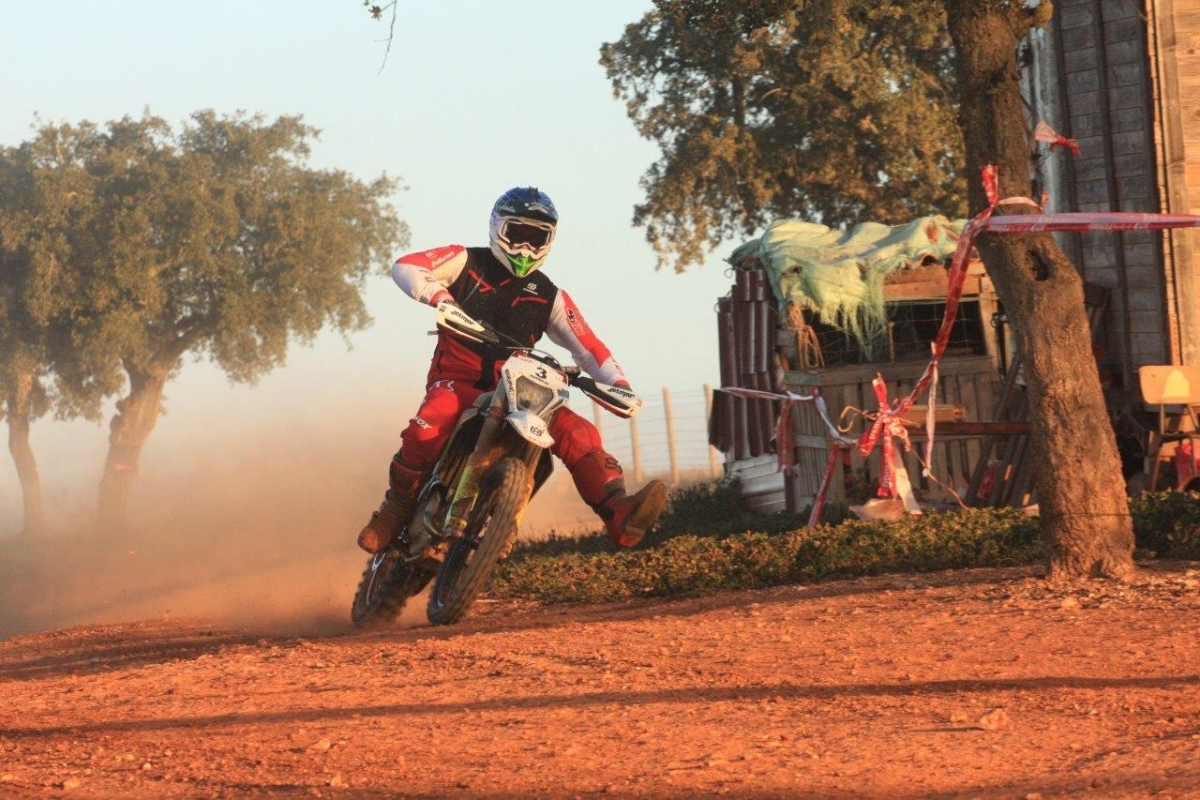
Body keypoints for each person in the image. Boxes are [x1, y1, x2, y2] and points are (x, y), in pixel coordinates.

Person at [357, 186, 667, 554]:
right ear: (497, 227)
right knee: (427, 428)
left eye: (536, 238)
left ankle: (620, 513)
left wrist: (619, 384)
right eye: (517, 234)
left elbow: (589, 348)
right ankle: (394, 509)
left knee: (579, 433)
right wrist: (441, 299)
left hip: (521, 389)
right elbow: (407, 265)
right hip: (460, 380)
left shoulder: (550, 295)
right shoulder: (466, 260)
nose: (525, 247)